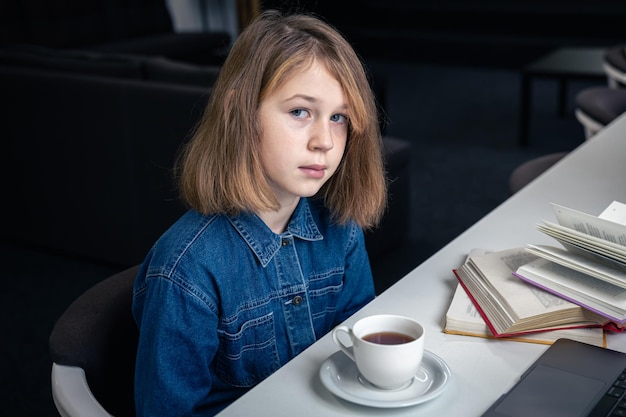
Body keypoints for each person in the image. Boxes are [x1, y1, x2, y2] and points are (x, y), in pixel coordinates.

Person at [132, 9, 387, 416]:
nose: (324, 140)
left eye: (338, 117)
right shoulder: (187, 270)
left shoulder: (342, 229)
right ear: (242, 113)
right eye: (300, 111)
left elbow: (360, 350)